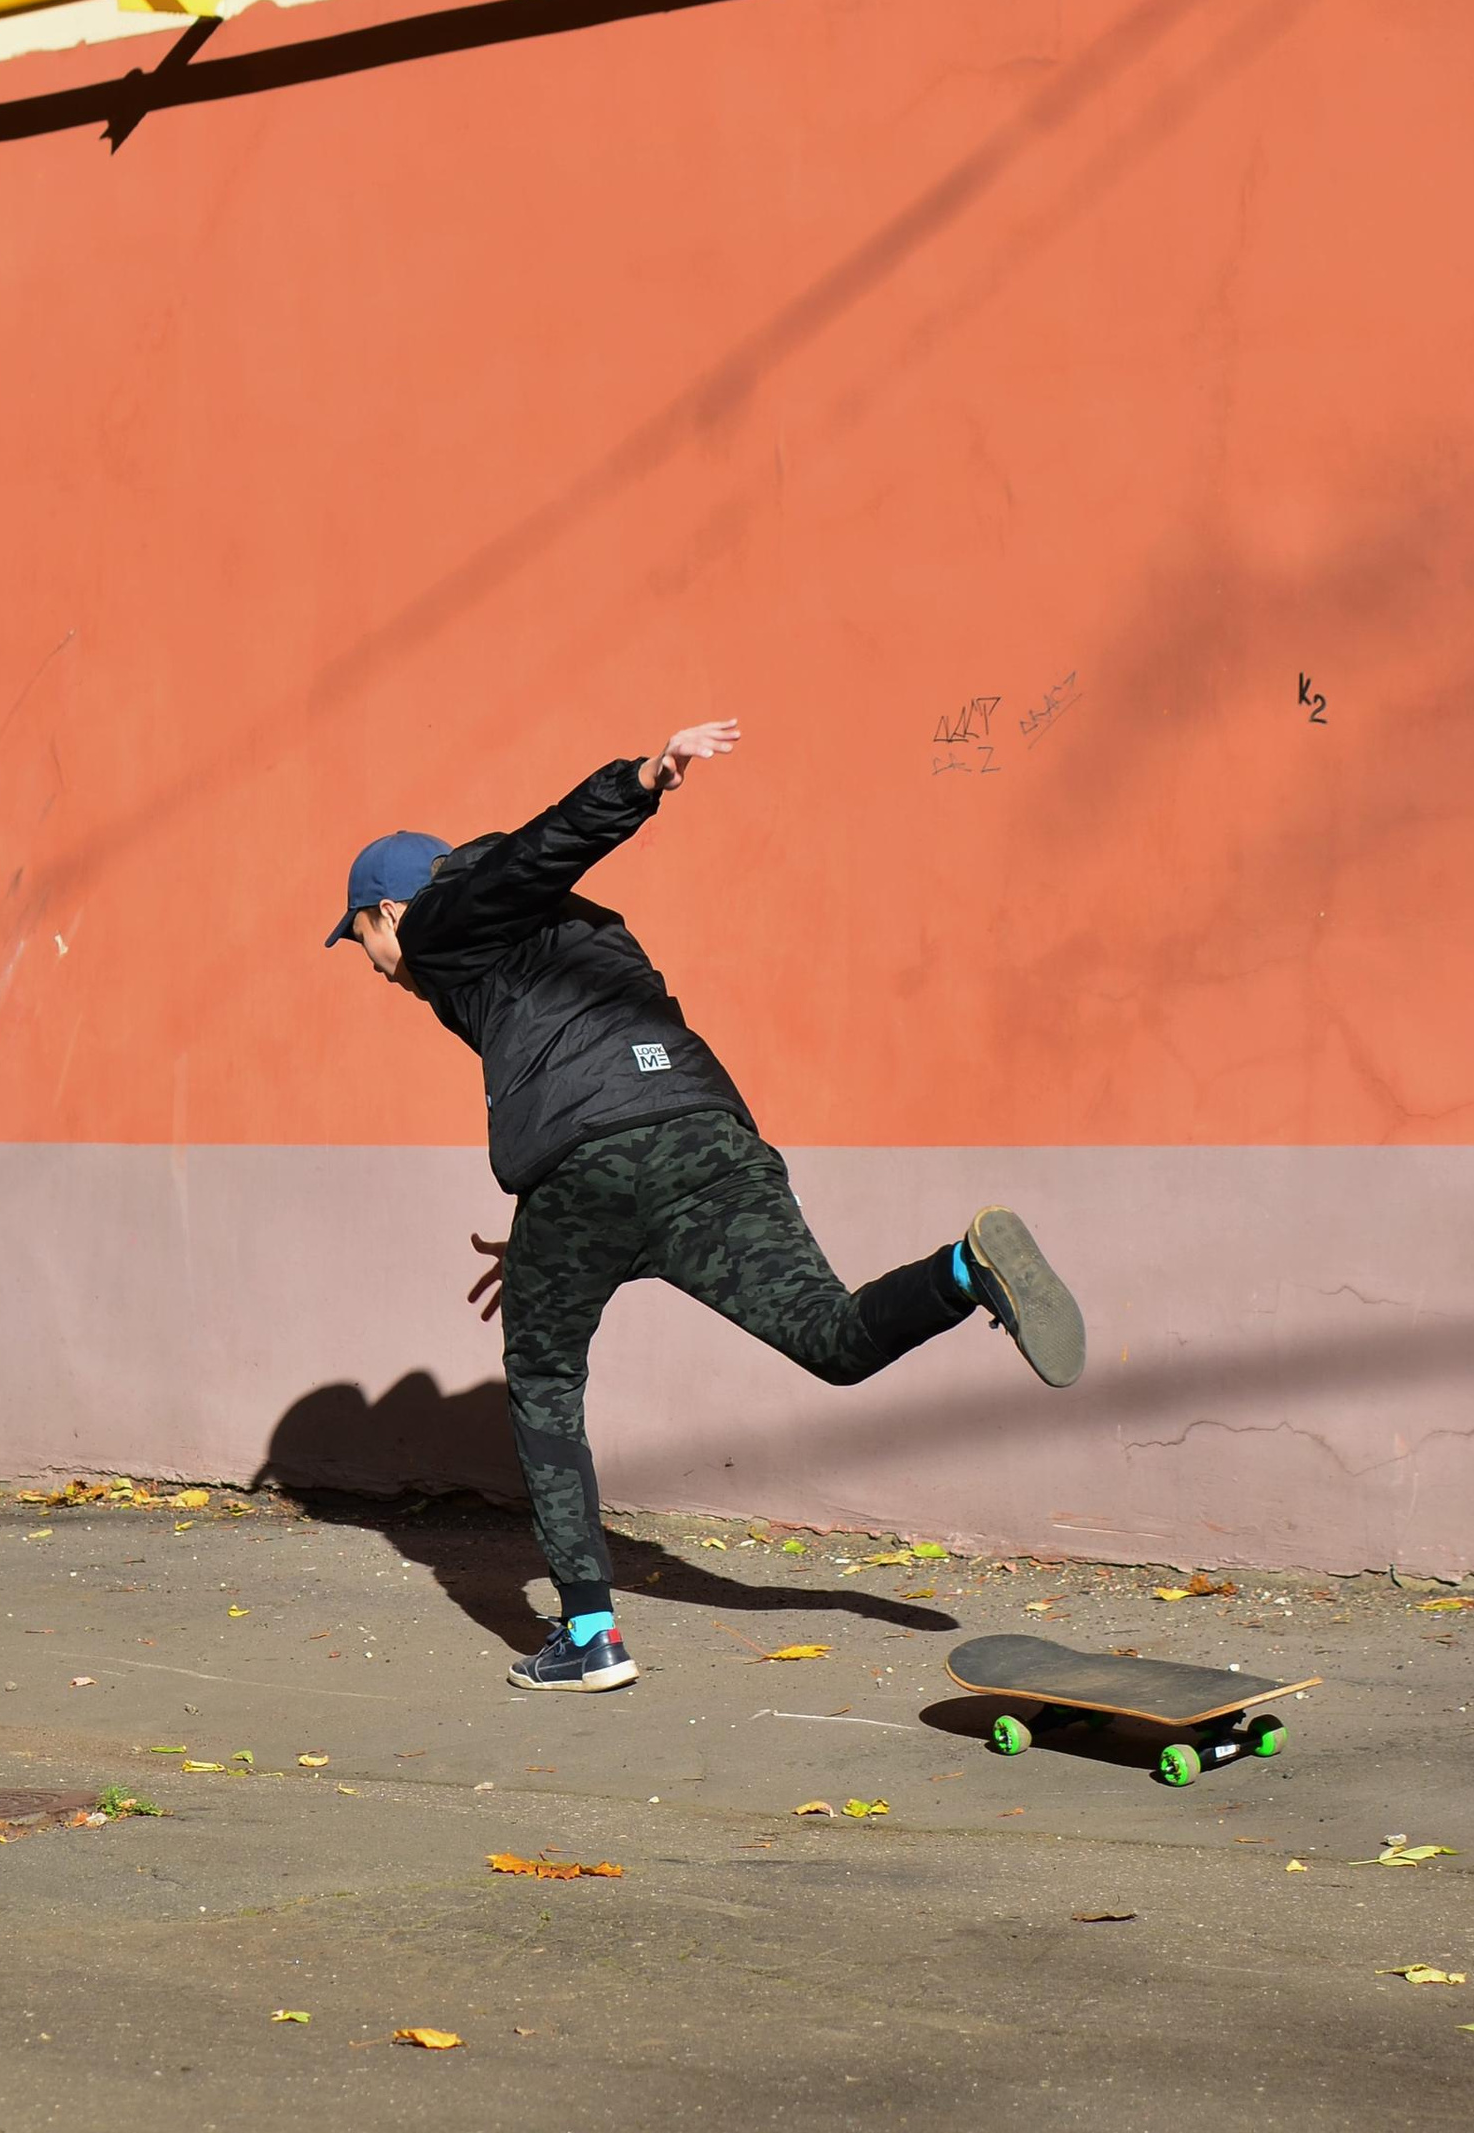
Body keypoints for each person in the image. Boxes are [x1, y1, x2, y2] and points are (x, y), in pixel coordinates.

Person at [326, 724, 1084, 1689]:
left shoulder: (444, 915)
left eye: (363, 940)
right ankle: (966, 1270)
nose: (376, 969)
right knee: (835, 1337)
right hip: (706, 1133)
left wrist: (638, 781)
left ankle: (591, 1635)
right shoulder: (570, 929)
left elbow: (540, 846)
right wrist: (540, 1228)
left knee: (545, 1380)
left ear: (391, 909)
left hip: (592, 1162)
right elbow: (581, 1053)